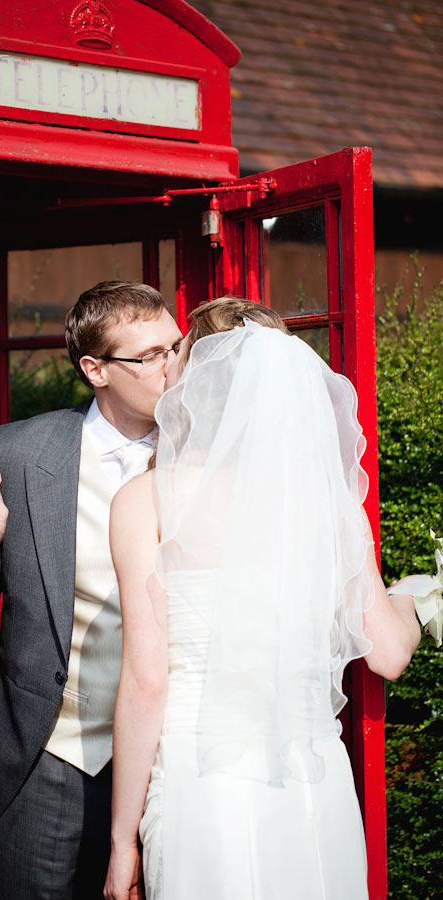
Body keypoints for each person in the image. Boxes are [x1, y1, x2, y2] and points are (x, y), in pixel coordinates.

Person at [104, 297, 421, 900]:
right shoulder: (322, 504)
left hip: (203, 785)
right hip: (309, 783)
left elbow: (147, 680)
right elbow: (388, 653)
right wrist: (415, 599)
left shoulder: (144, 500)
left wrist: (123, 842)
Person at [0, 281, 182, 900]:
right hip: (49, 755)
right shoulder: (14, 454)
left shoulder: (213, 457)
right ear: (94, 369)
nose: (172, 366)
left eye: (176, 346)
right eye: (148, 355)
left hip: (174, 763)